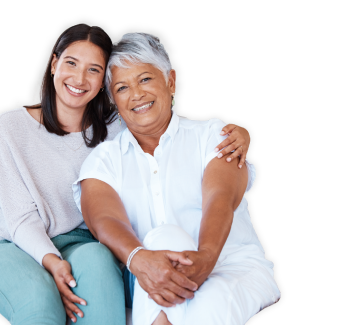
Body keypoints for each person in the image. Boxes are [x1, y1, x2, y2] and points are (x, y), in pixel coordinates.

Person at [0, 24, 251, 325]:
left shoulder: (118, 127)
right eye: (71, 63)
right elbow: (18, 219)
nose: (79, 79)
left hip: (87, 243)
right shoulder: (9, 127)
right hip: (18, 242)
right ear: (54, 64)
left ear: (105, 83)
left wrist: (239, 133)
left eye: (93, 70)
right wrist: (52, 262)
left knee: (100, 278)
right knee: (40, 306)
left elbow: (167, 123)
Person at [73, 32, 280, 325]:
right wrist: (139, 259)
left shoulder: (213, 136)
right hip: (152, 278)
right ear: (112, 100)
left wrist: (206, 257)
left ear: (170, 81)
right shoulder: (104, 160)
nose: (136, 94)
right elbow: (104, 219)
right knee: (162, 240)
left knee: (206, 304)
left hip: (230, 268)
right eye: (122, 87)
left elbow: (220, 196)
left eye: (145, 79)